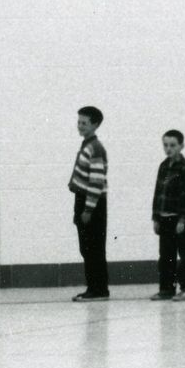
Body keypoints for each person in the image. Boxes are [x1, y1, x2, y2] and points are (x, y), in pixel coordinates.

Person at [70, 106, 111, 302]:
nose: (80, 126)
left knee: (93, 248)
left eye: (84, 123)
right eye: (79, 122)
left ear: (95, 125)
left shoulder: (95, 148)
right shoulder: (87, 145)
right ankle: (93, 287)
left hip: (92, 203)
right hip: (84, 200)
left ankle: (99, 290)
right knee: (87, 248)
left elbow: (96, 181)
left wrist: (88, 209)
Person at [151, 129, 185, 300]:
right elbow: (158, 192)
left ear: (181, 146)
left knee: (184, 254)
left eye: (172, 145)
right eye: (165, 145)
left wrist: (183, 219)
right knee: (165, 255)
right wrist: (156, 217)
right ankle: (166, 289)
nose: (168, 149)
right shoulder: (163, 166)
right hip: (163, 218)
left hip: (178, 219)